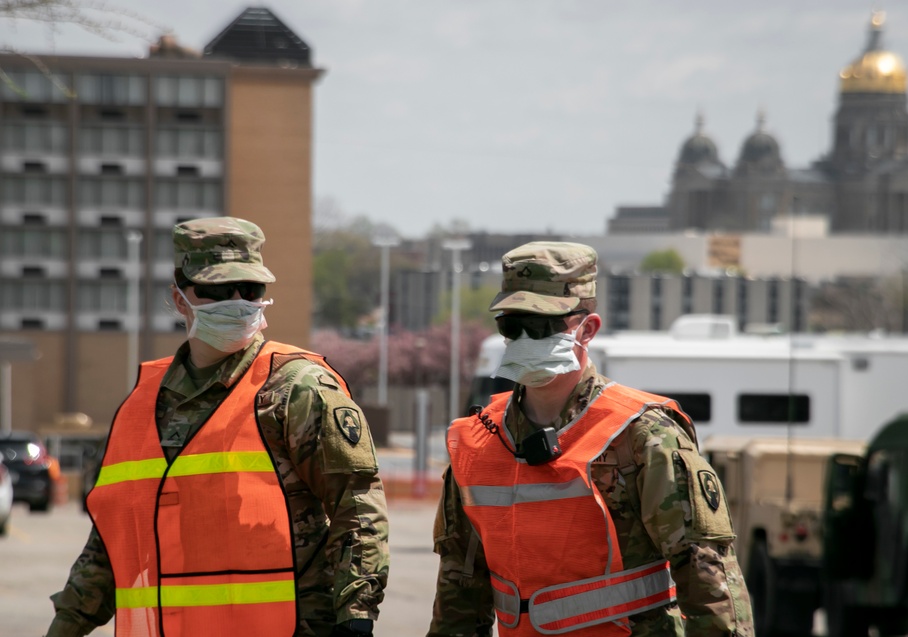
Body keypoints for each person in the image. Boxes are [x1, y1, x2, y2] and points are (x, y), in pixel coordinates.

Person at [46, 217, 389, 637]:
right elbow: (110, 542)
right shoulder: (141, 404)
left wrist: (356, 616)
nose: (238, 301)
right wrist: (65, 626)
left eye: (251, 289)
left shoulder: (296, 388)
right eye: (217, 290)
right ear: (178, 298)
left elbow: (357, 508)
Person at [427, 242, 754, 637]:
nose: (527, 339)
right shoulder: (477, 439)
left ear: (589, 329)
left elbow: (710, 583)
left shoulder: (643, 434)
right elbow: (460, 589)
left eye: (544, 325)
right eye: (512, 325)